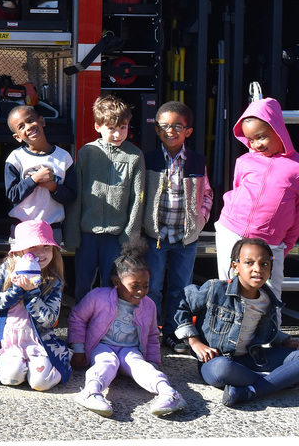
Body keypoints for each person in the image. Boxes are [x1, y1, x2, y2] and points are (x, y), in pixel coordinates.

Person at [173, 237, 299, 407]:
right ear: (235, 266)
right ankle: (281, 379)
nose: (258, 269)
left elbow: (263, 330)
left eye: (264, 264)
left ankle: (250, 391)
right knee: (221, 371)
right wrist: (194, 342)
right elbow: (182, 303)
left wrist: (284, 340)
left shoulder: (267, 299)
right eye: (249, 263)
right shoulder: (215, 289)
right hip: (218, 361)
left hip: (252, 359)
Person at [68, 238, 187, 418]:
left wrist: (153, 363)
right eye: (135, 286)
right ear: (117, 281)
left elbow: (153, 336)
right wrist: (78, 348)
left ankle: (169, 393)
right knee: (106, 362)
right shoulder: (97, 297)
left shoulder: (149, 305)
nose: (141, 291)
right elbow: (77, 318)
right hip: (102, 345)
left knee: (140, 367)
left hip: (130, 349)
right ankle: (91, 392)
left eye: (146, 286)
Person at [215, 97, 299, 318]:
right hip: (230, 231)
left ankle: (271, 339)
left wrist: (285, 244)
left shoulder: (296, 168)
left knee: (271, 290)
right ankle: (225, 335)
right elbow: (236, 188)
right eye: (251, 140)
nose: (256, 144)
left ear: (278, 130)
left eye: (261, 137)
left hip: (271, 241)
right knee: (228, 285)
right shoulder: (244, 161)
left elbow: (298, 212)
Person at [141, 101, 212, 351]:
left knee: (181, 289)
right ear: (157, 129)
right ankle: (149, 332)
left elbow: (207, 194)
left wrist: (200, 220)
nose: (170, 131)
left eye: (177, 126)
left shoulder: (196, 161)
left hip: (186, 238)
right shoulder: (148, 159)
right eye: (165, 126)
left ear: (188, 131)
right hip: (156, 236)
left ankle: (174, 333)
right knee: (153, 288)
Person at [64, 94, 144, 301]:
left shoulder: (135, 156)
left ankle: (107, 328)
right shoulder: (87, 153)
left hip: (117, 237)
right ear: (98, 126)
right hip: (88, 234)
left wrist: (129, 236)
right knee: (83, 285)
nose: (118, 134)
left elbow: (138, 199)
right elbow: (77, 195)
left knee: (112, 286)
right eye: (112, 128)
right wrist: (73, 234)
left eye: (123, 128)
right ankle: (80, 328)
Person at [0, 219, 71, 391]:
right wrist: (14, 292)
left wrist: (31, 293)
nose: (41, 253)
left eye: (46, 246)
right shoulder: (7, 269)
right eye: (33, 247)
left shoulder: (53, 280)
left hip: (39, 342)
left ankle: (60, 360)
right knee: (11, 377)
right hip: (10, 342)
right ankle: (19, 365)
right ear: (20, 250)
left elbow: (49, 320)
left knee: (40, 384)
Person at [4, 104, 76, 244]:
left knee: (49, 266)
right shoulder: (15, 158)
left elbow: (71, 196)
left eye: (31, 120)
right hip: (22, 228)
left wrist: (53, 187)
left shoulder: (63, 157)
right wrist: (34, 179)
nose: (28, 126)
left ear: (42, 121)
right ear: (17, 137)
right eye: (21, 127)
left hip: (52, 229)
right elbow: (13, 195)